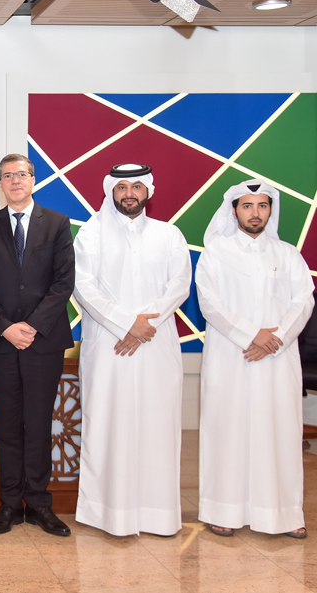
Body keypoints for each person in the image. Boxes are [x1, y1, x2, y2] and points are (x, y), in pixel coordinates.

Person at [73, 163, 191, 537]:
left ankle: (157, 516)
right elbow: (83, 288)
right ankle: (108, 514)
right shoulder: (90, 235)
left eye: (136, 186)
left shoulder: (169, 234)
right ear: (110, 190)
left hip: (155, 346)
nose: (129, 193)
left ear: (148, 192)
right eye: (122, 186)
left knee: (158, 425)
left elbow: (179, 286)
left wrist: (143, 327)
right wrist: (127, 324)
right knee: (109, 424)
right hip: (109, 348)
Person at [196, 179, 313, 539]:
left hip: (277, 359)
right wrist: (252, 335)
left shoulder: (288, 254)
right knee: (227, 429)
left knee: (280, 431)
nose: (255, 213)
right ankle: (224, 511)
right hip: (232, 355)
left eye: (262, 206)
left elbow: (304, 300)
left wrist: (274, 338)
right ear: (234, 211)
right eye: (247, 206)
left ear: (270, 211)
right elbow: (209, 303)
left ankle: (284, 514)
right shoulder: (216, 252)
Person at [0, 154, 75, 537]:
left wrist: (29, 326)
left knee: (38, 423)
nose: (15, 181)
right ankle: (10, 505)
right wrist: (5, 327)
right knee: (8, 426)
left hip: (42, 342)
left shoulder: (58, 224)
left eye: (21, 175)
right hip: (2, 343)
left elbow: (63, 283)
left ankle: (40, 505)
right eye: (7, 176)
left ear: (34, 179)